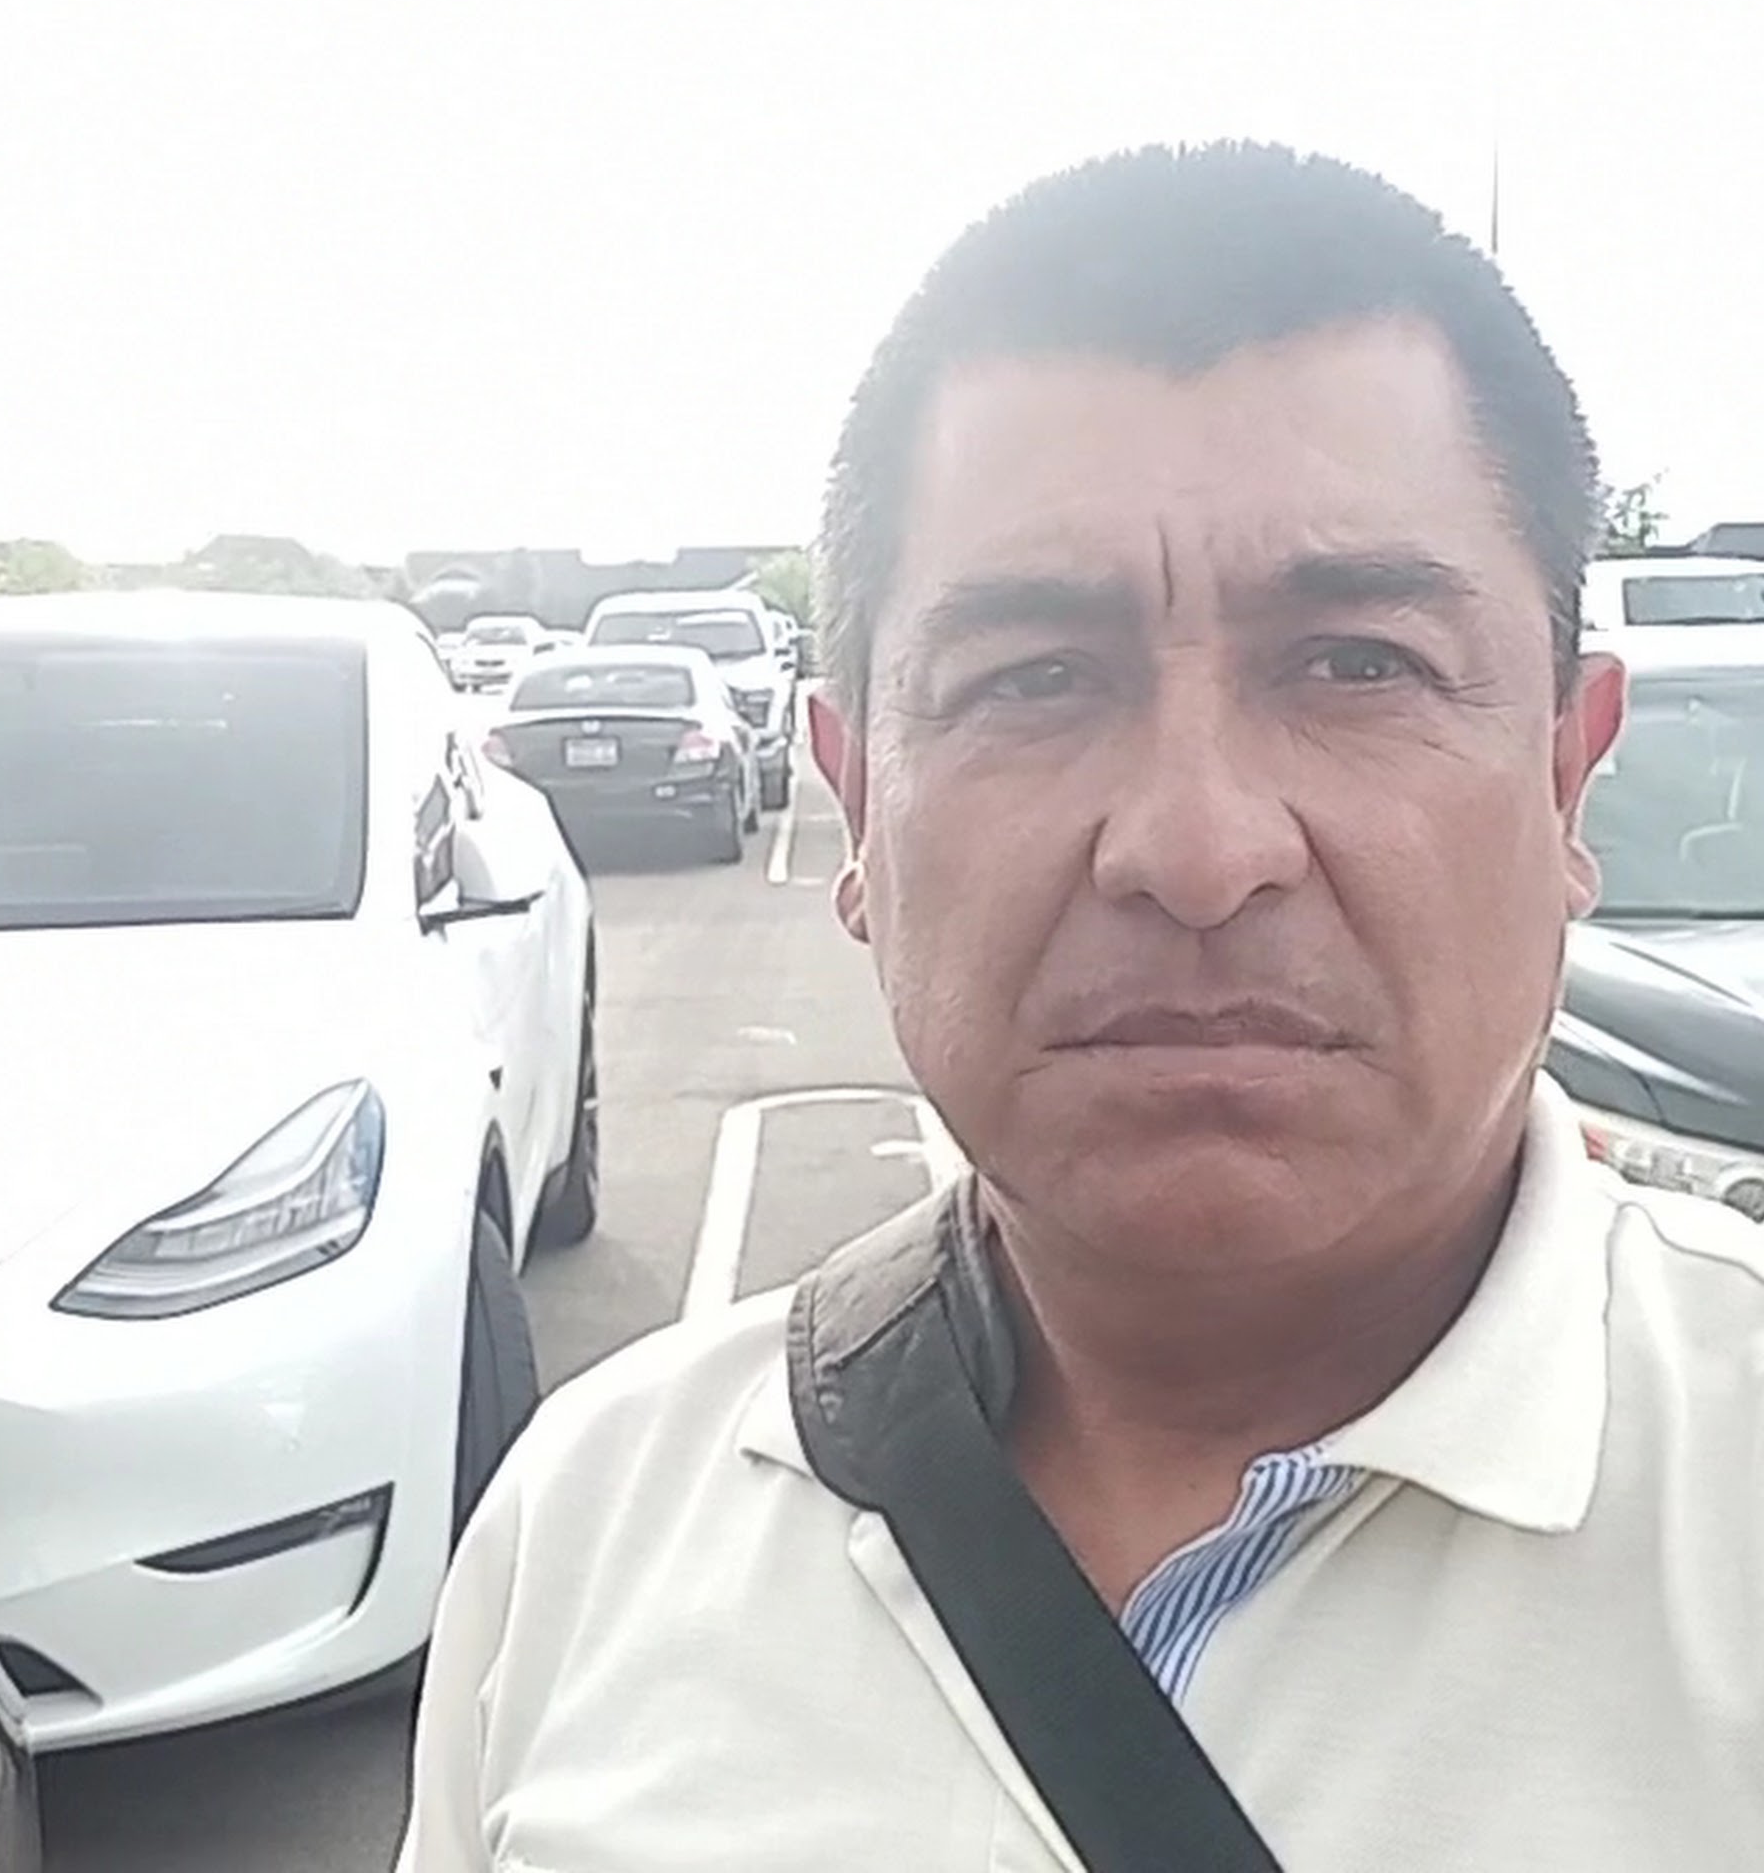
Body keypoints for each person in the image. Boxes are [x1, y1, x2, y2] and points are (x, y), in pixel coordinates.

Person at [396, 143, 1764, 1869]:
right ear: (857, 805)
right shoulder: (593, 1527)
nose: (1196, 850)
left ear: (1567, 774)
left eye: (1358, 666)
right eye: (1035, 679)